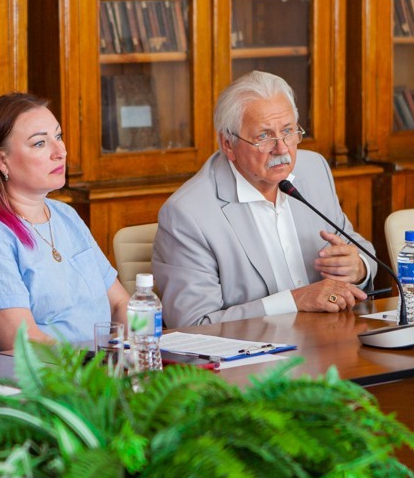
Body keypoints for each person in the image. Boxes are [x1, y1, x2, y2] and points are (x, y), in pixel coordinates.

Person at [153, 71, 376, 327]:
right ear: (227, 143)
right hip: (252, 361)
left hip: (329, 341)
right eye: (264, 136)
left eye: (289, 131)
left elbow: (360, 249)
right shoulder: (188, 214)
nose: (282, 149)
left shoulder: (313, 170)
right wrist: (293, 301)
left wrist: (358, 268)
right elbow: (193, 324)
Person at [0, 92, 129, 355]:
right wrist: (101, 367)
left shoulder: (65, 216)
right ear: (1, 160)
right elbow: (25, 344)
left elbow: (120, 303)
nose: (60, 152)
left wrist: (137, 354)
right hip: (23, 385)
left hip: (92, 373)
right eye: (40, 143)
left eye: (58, 136)